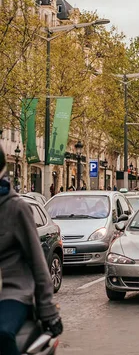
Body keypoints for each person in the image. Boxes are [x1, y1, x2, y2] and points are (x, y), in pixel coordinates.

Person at [0, 145, 62, 355]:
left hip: (11, 293)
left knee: (2, 333)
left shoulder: (16, 208)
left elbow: (37, 261)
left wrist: (48, 310)